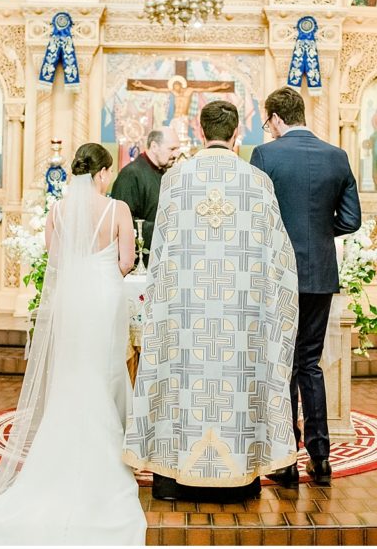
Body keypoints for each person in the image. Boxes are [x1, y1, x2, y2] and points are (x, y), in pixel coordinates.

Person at [0, 143, 146, 545]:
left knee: (74, 367)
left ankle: (65, 439)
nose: (109, 178)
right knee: (105, 366)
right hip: (105, 294)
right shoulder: (117, 210)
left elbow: (55, 259)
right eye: (107, 172)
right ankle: (109, 441)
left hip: (73, 296)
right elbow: (127, 261)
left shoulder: (58, 210)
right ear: (101, 173)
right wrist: (103, 269)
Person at [124, 100, 299, 502]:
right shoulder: (257, 182)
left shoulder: (176, 179)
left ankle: (171, 478)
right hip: (240, 319)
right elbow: (278, 259)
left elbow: (161, 254)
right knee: (236, 386)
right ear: (237, 134)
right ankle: (241, 476)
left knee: (182, 385)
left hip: (186, 318)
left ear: (201, 133)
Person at [251, 87, 362, 486]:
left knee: (282, 364)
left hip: (279, 274)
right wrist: (317, 233)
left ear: (277, 118)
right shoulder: (337, 156)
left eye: (268, 123)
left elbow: (257, 216)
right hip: (320, 275)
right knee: (309, 364)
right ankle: (321, 458)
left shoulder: (266, 155)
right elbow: (351, 221)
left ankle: (285, 461)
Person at [108, 126, 180, 268]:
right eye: (172, 149)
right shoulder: (131, 175)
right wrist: (166, 228)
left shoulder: (164, 172)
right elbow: (122, 222)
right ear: (154, 146)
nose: (176, 154)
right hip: (140, 262)